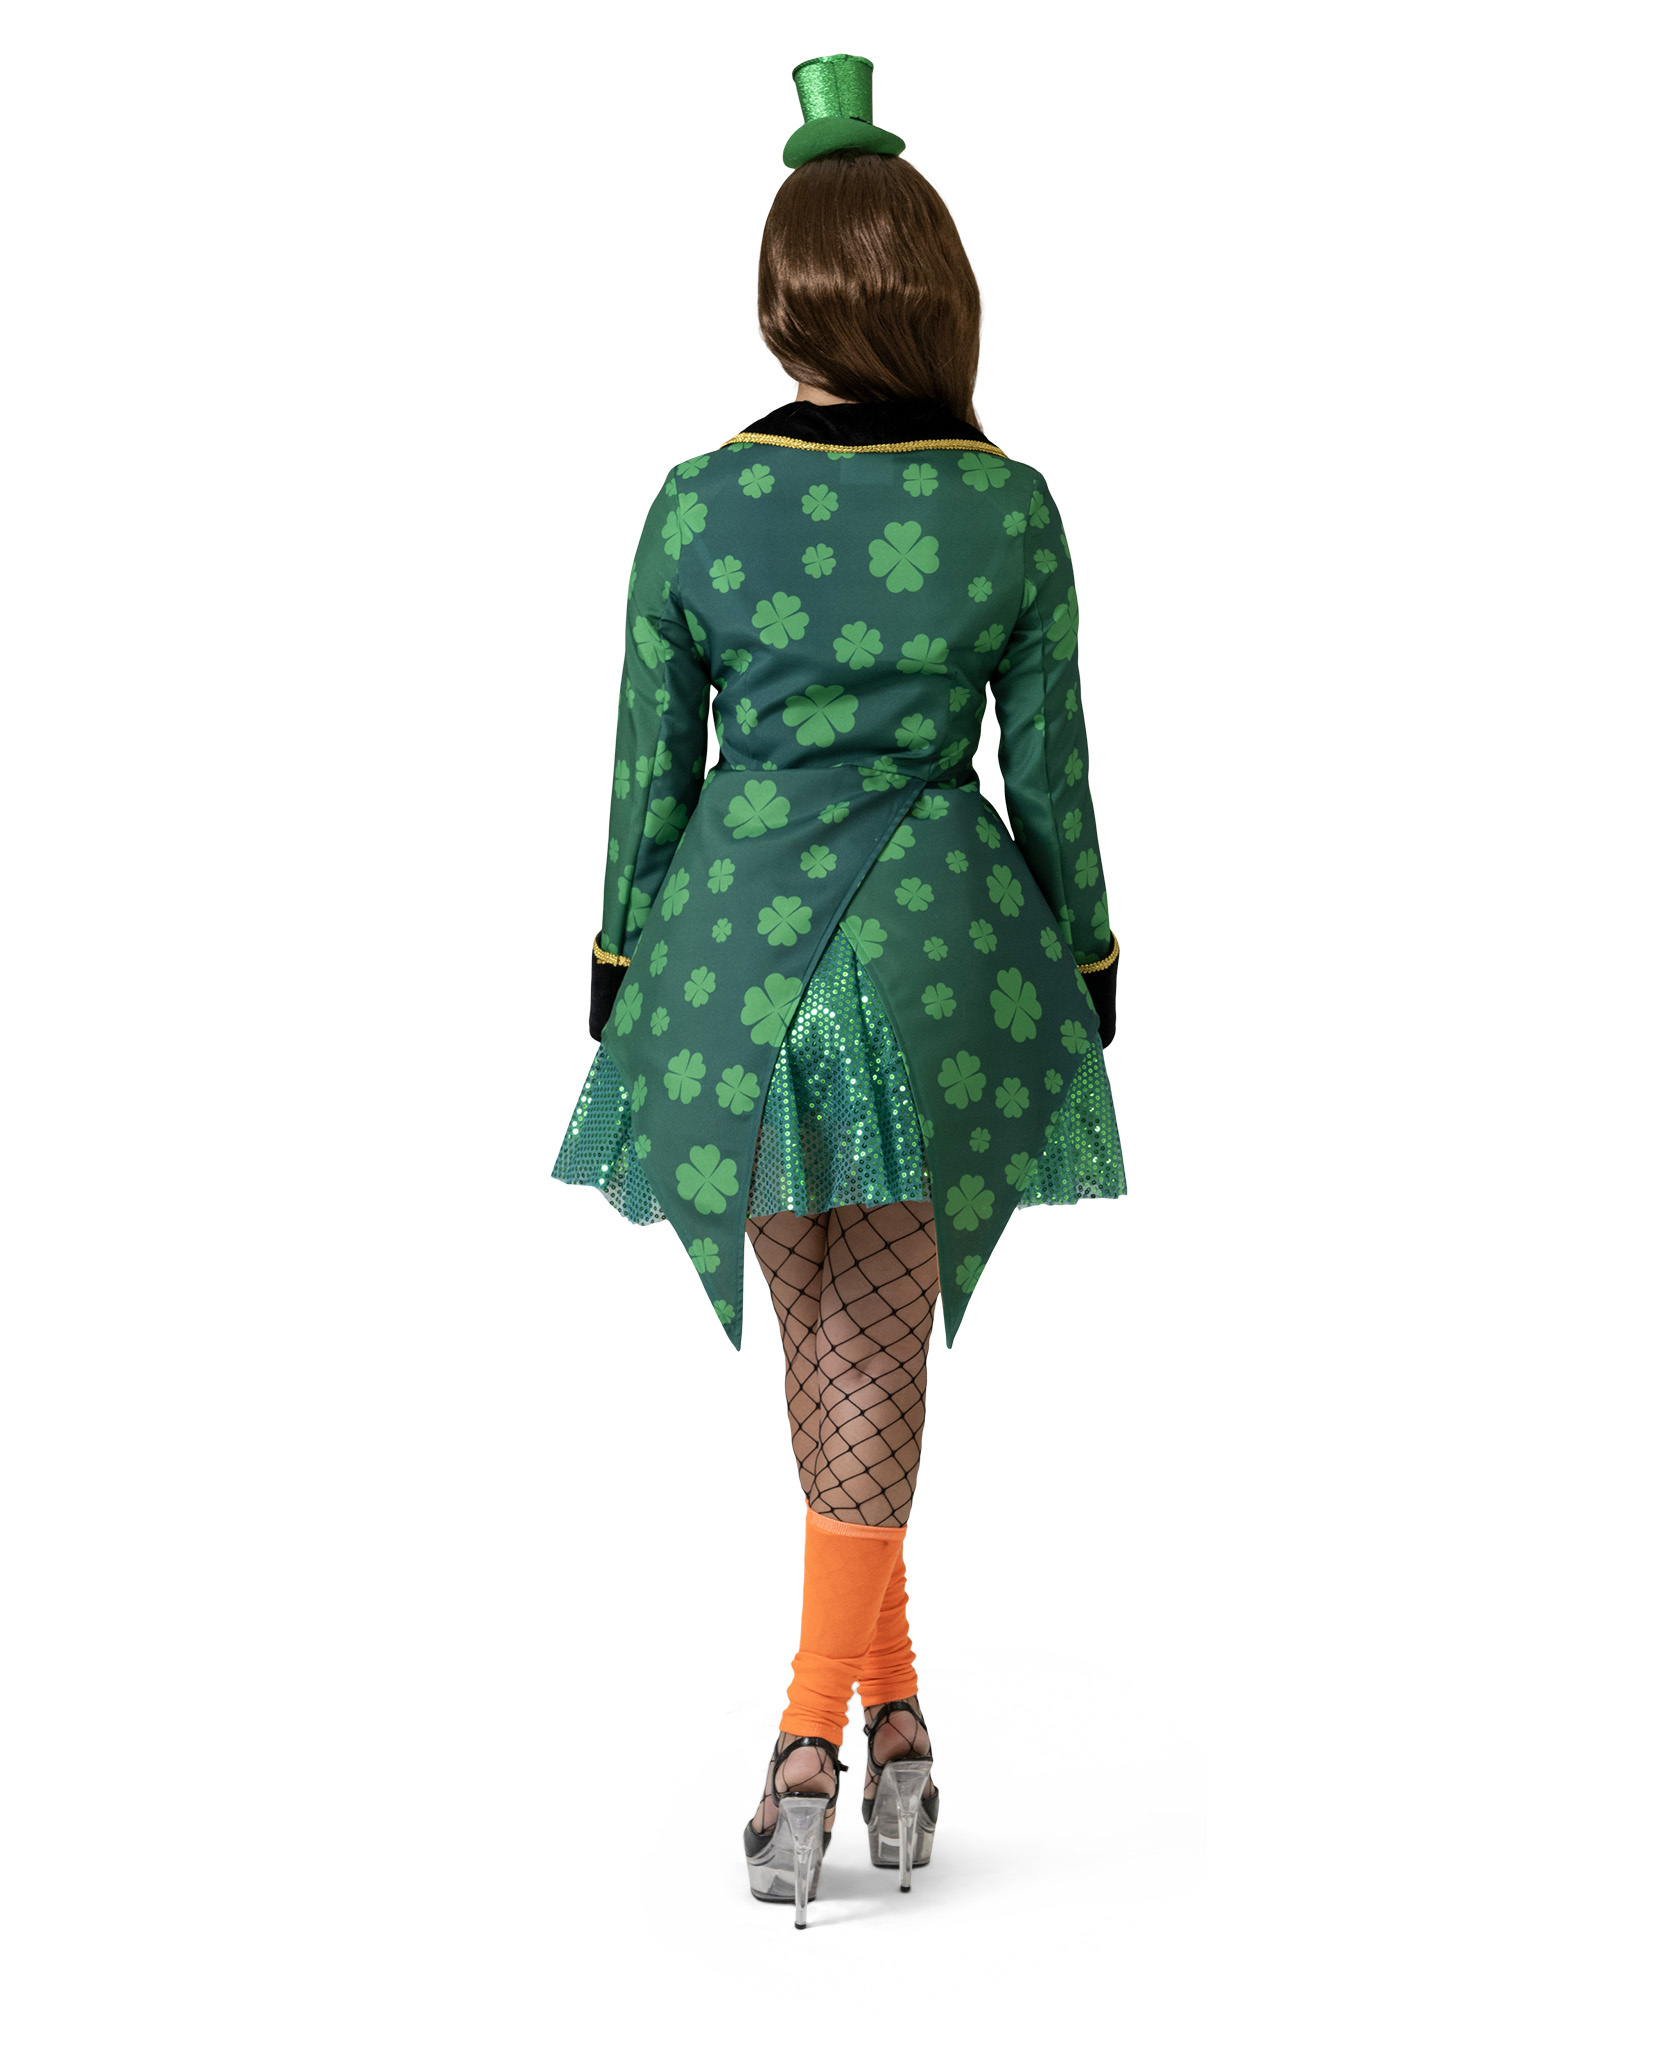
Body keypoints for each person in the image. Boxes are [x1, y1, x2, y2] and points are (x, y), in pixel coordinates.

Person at [551, 54, 1126, 1926]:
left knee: (829, 1336)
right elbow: (1053, 776)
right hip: (936, 961)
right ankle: (882, 1728)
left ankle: (812, 1734)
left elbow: (649, 768)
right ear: (931, 295)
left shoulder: (695, 502)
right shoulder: (1011, 506)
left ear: (784, 302)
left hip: (732, 965)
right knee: (864, 1344)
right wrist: (1090, 958)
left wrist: (618, 961)